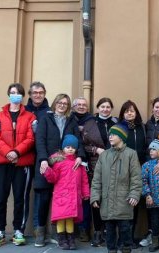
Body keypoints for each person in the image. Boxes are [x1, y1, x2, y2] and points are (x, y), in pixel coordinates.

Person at [0, 81, 51, 238]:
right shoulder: (0, 115)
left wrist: (17, 152)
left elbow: (30, 138)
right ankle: (0, 230)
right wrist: (9, 152)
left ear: (22, 96)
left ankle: (23, 230)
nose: (15, 95)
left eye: (18, 93)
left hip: (29, 160)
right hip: (5, 161)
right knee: (1, 197)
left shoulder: (38, 114)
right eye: (12, 92)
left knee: (22, 198)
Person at [34, 93, 85, 247]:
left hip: (66, 167)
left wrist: (80, 156)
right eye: (60, 102)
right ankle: (41, 232)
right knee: (44, 199)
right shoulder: (45, 119)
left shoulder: (71, 121)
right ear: (55, 103)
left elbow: (79, 141)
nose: (62, 105)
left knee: (64, 201)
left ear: (68, 106)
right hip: (48, 164)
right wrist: (43, 159)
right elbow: (40, 140)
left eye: (65, 103)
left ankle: (60, 235)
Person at [91, 123, 142, 253]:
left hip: (124, 200)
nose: (110, 137)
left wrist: (134, 194)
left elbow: (136, 177)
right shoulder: (104, 155)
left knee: (125, 229)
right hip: (107, 201)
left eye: (114, 134)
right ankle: (111, 250)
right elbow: (97, 179)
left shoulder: (131, 154)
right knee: (109, 230)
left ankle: (126, 249)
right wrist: (95, 197)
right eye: (110, 134)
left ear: (121, 137)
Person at [43, 134, 91, 250]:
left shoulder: (79, 165)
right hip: (61, 196)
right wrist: (48, 171)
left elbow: (84, 181)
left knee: (70, 218)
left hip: (74, 196)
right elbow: (53, 178)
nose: (70, 149)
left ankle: (70, 238)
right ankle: (62, 239)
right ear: (63, 148)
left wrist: (86, 193)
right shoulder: (59, 163)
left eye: (73, 147)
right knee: (61, 218)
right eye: (68, 147)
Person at [73, 97, 105, 245]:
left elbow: (95, 142)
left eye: (84, 105)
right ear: (73, 107)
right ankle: (72, 230)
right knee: (73, 197)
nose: (81, 107)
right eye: (78, 105)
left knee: (88, 196)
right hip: (71, 163)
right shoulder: (69, 120)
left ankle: (86, 229)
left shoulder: (92, 121)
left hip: (90, 164)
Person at [118, 100, 147, 247]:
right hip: (123, 172)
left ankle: (130, 237)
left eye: (132, 110)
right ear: (122, 113)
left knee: (134, 203)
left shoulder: (142, 127)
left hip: (139, 171)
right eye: (127, 111)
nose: (130, 113)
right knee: (123, 206)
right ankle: (123, 239)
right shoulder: (118, 128)